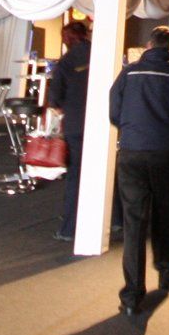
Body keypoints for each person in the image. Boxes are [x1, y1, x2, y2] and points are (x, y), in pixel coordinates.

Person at [107, 25, 169, 315]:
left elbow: (114, 111)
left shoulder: (129, 73)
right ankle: (165, 268)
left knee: (134, 221)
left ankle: (132, 294)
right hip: (168, 152)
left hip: (133, 152)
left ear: (149, 45)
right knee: (164, 211)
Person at [49, 20, 121, 242]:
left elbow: (55, 99)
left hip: (76, 124)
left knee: (76, 175)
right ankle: (117, 219)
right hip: (104, 121)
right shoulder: (103, 55)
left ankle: (70, 228)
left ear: (67, 38)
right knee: (108, 170)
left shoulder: (66, 62)